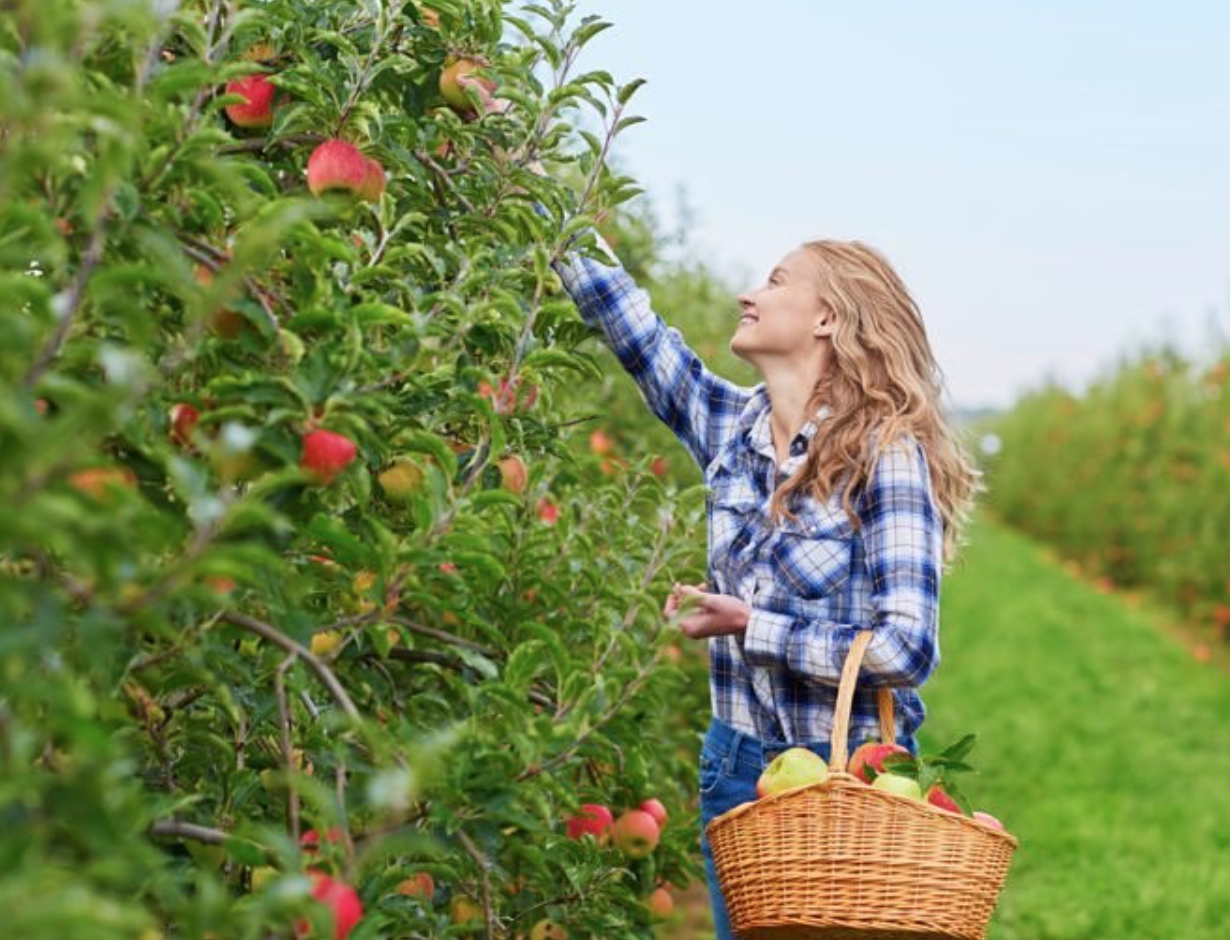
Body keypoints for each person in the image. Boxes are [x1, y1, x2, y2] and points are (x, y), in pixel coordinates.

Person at [550, 229, 983, 938]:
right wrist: (525, 161)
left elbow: (906, 648)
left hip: (845, 777)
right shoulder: (730, 429)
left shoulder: (883, 455)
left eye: (777, 281)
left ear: (827, 317)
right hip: (737, 765)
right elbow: (627, 322)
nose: (749, 293)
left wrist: (752, 626)